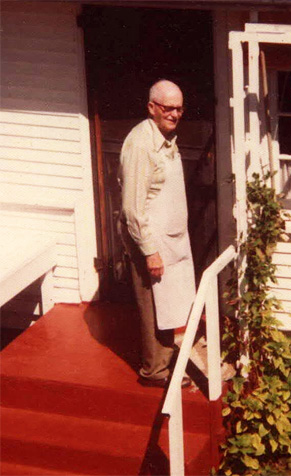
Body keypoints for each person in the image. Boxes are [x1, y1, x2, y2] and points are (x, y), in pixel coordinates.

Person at [118, 80, 195, 388]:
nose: (174, 114)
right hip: (150, 239)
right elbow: (133, 208)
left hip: (170, 237)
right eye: (167, 108)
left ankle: (164, 358)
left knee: (167, 301)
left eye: (179, 108)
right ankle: (155, 371)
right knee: (153, 305)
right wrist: (150, 250)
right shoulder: (140, 144)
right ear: (151, 107)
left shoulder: (164, 138)